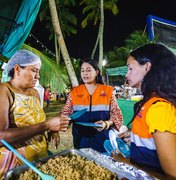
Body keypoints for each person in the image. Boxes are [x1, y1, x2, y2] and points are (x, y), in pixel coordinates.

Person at [0, 50, 70, 178]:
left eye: (38, 71)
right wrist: (46, 126)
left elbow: (36, 122)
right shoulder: (4, 90)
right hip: (16, 166)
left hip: (38, 161)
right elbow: (1, 137)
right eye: (34, 70)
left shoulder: (35, 93)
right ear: (17, 69)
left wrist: (52, 130)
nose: (38, 76)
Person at [119, 43, 176, 179]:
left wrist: (126, 165)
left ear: (147, 67)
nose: (127, 74)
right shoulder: (149, 102)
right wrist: (134, 136)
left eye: (130, 68)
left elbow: (172, 175)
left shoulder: (159, 109)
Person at [61, 58, 123, 153]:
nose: (85, 73)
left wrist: (106, 124)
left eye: (88, 70)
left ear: (96, 72)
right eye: (82, 70)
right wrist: (64, 122)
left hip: (102, 140)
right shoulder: (74, 92)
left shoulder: (108, 91)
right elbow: (65, 113)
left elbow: (116, 115)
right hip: (81, 140)